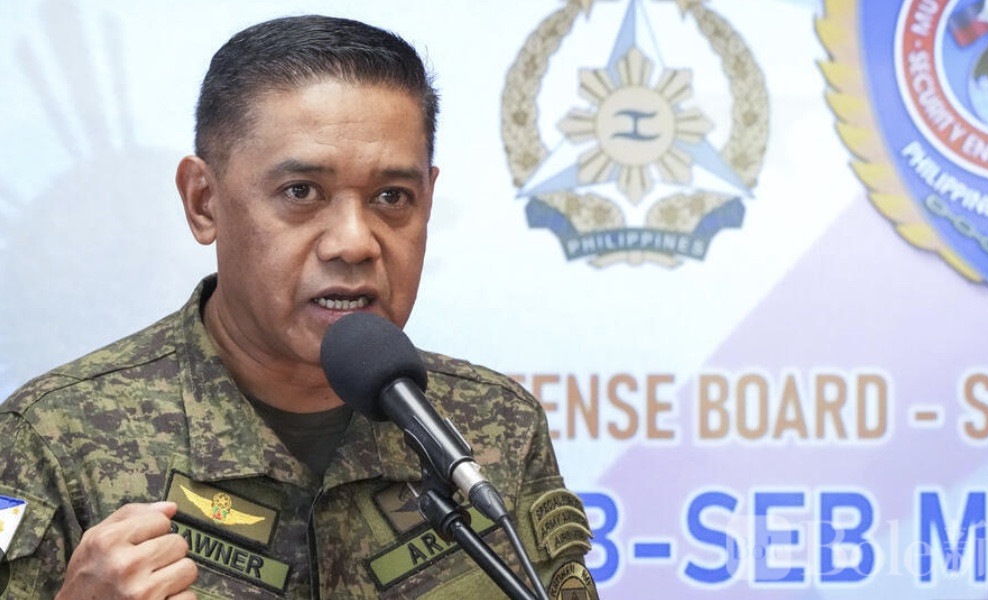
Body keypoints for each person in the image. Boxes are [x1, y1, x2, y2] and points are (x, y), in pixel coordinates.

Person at [0, 15, 597, 599]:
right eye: (301, 192)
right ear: (204, 202)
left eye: (392, 197)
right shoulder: (55, 438)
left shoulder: (494, 426)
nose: (354, 243)